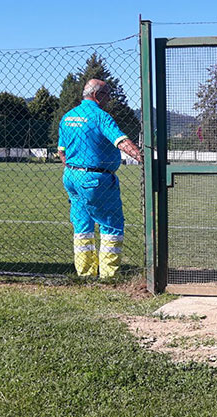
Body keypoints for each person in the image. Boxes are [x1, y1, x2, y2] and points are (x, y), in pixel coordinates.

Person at [57, 79, 143, 278]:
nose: (109, 99)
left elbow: (62, 152)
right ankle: (108, 275)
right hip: (96, 179)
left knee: (82, 226)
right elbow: (121, 141)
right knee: (111, 224)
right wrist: (142, 158)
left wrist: (74, 171)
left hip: (71, 176)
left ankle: (85, 273)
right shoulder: (100, 117)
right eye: (108, 95)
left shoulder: (68, 117)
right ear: (97, 95)